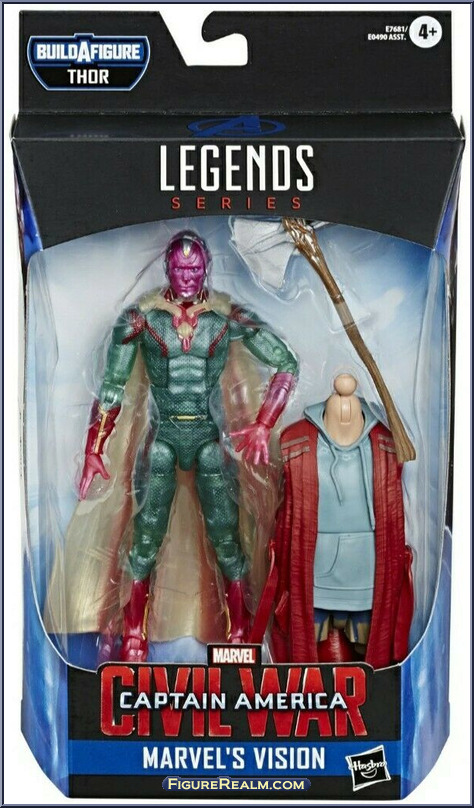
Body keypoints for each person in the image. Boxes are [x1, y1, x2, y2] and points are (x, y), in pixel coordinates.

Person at [79, 231, 298, 661]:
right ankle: (135, 634)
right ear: (167, 269)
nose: (186, 277)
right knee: (145, 537)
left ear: (206, 270)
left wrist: (263, 424)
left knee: (226, 538)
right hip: (161, 437)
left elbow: (286, 363)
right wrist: (93, 448)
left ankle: (240, 634)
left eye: (194, 269)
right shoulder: (141, 319)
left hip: (207, 437)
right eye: (180, 269)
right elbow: (111, 388)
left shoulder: (226, 316)